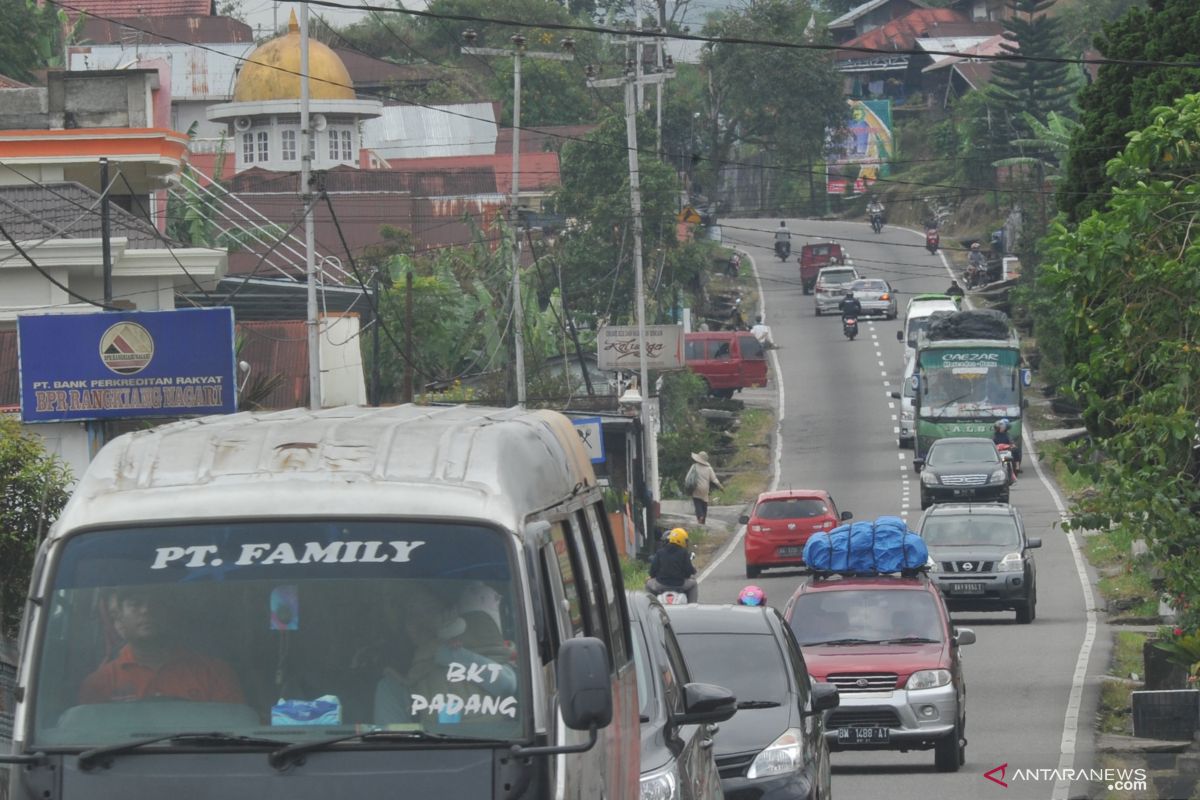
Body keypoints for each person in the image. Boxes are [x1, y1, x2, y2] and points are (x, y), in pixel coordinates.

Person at [79, 587, 245, 705]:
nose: (146, 610)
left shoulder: (215, 674)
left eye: (157, 603)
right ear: (119, 618)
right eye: (135, 604)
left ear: (171, 614)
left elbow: (233, 738)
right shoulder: (100, 682)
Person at [646, 528, 698, 603]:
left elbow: (652, 571)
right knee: (693, 584)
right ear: (680, 539)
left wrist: (652, 576)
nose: (686, 543)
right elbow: (688, 572)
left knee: (648, 584)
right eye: (685, 540)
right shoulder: (684, 553)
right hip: (679, 584)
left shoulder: (660, 552)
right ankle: (692, 607)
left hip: (661, 584)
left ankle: (649, 607)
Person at [684, 451, 722, 524]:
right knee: (704, 503)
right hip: (705, 489)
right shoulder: (709, 468)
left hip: (696, 488)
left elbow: (687, 477)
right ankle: (703, 519)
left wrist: (688, 485)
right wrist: (720, 486)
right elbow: (714, 479)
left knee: (697, 502)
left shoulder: (694, 466)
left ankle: (700, 517)